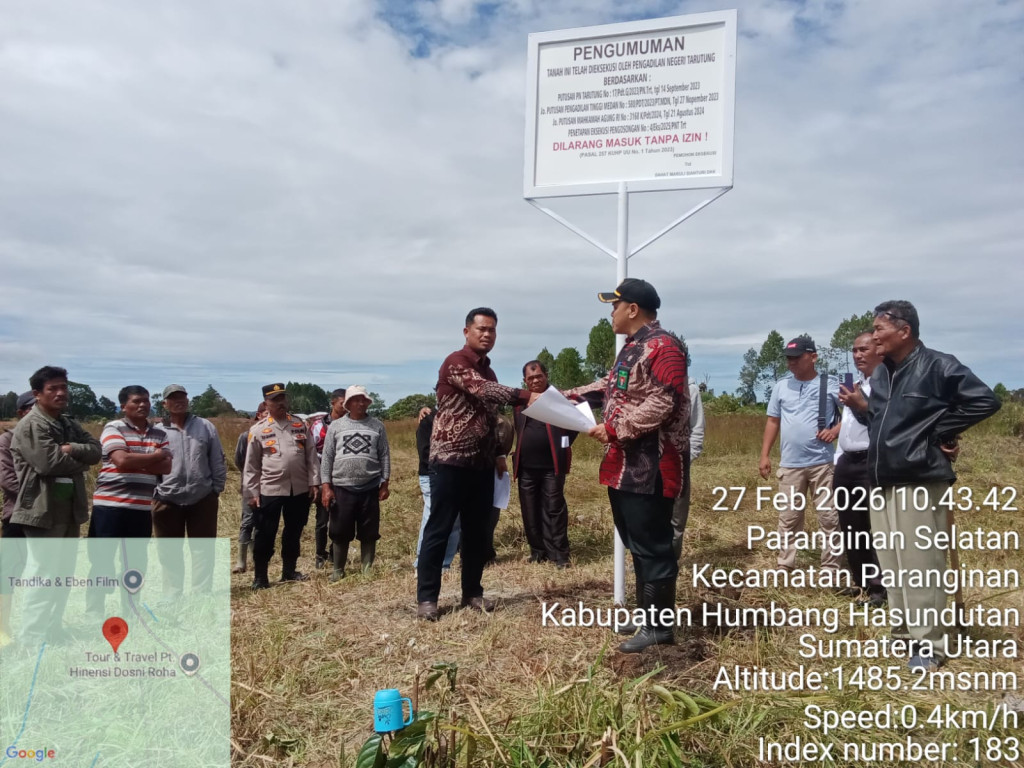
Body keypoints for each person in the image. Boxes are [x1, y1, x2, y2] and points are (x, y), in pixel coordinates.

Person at [839, 300, 1000, 671]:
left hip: (919, 478)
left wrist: (944, 430)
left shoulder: (938, 365)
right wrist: (864, 409)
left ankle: (932, 644)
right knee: (893, 563)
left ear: (904, 331)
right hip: (882, 479)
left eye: (879, 329)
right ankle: (904, 633)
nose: (874, 336)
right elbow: (882, 419)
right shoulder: (882, 376)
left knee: (920, 564)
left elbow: (984, 401)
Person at [568, 279, 690, 652]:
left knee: (654, 546)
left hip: (652, 465)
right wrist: (567, 396)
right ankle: (647, 614)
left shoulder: (664, 347)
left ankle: (660, 628)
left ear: (632, 309)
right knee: (638, 543)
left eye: (615, 306)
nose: (611, 313)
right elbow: (612, 387)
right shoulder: (633, 349)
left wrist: (616, 427)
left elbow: (664, 401)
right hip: (626, 465)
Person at [415, 308, 539, 621]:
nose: (487, 334)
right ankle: (427, 599)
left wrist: (499, 452)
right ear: (467, 331)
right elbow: (482, 390)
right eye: (482, 329)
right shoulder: (456, 362)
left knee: (477, 533)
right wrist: (527, 395)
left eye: (492, 330)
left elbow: (491, 415)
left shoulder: (491, 370)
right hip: (451, 461)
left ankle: (472, 592)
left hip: (481, 465)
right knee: (439, 529)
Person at [10, 367, 102, 645]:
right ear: (37, 394)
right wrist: (80, 459)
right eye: (53, 388)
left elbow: (96, 451)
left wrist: (71, 449)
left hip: (68, 509)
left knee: (63, 575)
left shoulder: (67, 423)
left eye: (64, 387)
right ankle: (32, 639)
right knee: (44, 575)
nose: (61, 393)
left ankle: (53, 629)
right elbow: (48, 463)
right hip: (42, 509)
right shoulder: (32, 425)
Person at [758, 336, 843, 573]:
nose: (791, 363)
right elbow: (773, 421)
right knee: (789, 517)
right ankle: (785, 564)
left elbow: (856, 410)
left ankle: (831, 567)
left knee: (828, 517)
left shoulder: (831, 383)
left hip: (822, 463)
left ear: (813, 357)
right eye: (788, 358)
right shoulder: (781, 386)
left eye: (796, 358)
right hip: (790, 464)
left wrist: (836, 430)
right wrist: (765, 455)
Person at [86, 386, 171, 617]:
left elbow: (167, 467)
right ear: (124, 406)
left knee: (135, 563)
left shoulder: (160, 434)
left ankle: (130, 610)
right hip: (110, 506)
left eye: (145, 401)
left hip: (141, 507)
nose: (143, 405)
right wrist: (153, 457)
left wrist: (137, 460)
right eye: (136, 402)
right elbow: (121, 460)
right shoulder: (114, 427)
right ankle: (94, 611)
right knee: (102, 561)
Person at [242, 383, 320, 590]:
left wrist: (314, 482)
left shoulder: (299, 425)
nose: (281, 403)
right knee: (266, 533)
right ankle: (260, 576)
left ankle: (289, 570)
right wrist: (251, 492)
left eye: (283, 398)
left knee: (294, 531)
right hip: (270, 489)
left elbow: (311, 456)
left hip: (299, 489)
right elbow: (251, 465)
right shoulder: (258, 430)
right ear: (266, 403)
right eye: (275, 399)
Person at [151, 385, 227, 596]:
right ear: (165, 403)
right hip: (167, 499)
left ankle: (201, 594)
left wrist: (216, 489)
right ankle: (172, 594)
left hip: (202, 497)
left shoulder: (205, 427)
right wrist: (155, 491)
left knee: (203, 549)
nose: (179, 401)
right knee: (169, 551)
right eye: (173, 398)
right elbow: (150, 464)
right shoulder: (157, 430)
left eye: (182, 397)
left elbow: (217, 460)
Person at [832, 333, 886, 606]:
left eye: (863, 349)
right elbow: (848, 426)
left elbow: (885, 423)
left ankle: (879, 591)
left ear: (879, 349)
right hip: (847, 464)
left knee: (875, 527)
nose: (857, 355)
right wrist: (838, 459)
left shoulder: (887, 383)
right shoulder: (855, 385)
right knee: (851, 527)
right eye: (854, 350)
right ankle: (862, 583)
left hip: (872, 462)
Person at [320, 386, 390, 582]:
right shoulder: (336, 426)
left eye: (364, 400)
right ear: (348, 404)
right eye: (356, 400)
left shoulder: (377, 426)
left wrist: (385, 483)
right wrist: (326, 486)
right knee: (340, 530)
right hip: (342, 486)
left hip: (369, 486)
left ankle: (366, 569)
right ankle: (338, 570)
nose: (360, 403)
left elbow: (384, 455)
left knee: (369, 531)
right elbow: (327, 457)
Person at [512, 360, 576, 568]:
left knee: (553, 508)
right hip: (526, 467)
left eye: (538, 376)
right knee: (529, 510)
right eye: (530, 378)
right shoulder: (521, 402)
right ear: (525, 381)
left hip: (552, 466)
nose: (535, 380)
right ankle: (537, 551)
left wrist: (562, 446)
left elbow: (573, 426)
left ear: (546, 375)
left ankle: (559, 554)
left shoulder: (557, 398)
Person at [0, 392, 35, 646]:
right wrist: (43, 497)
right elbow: (8, 481)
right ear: (22, 412)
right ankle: (3, 628)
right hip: (18, 516)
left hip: (51, 520)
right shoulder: (7, 440)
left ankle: (36, 626)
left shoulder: (53, 438)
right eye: (33, 409)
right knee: (8, 574)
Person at [413, 407, 460, 573]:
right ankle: (423, 563)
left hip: (457, 475)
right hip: (431, 475)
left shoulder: (463, 419)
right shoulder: (428, 420)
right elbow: (425, 452)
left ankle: (445, 564)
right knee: (432, 518)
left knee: (455, 520)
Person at [309, 389, 346, 569]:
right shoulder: (319, 426)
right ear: (332, 403)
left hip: (344, 478)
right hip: (325, 478)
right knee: (322, 519)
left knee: (340, 518)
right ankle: (319, 554)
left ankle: (334, 553)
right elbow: (311, 453)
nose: (346, 407)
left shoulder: (352, 423)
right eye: (342, 404)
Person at [671, 377, 704, 560]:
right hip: (648, 467)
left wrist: (686, 459)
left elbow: (697, 428)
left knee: (676, 520)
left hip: (678, 467)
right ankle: (649, 565)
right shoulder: (645, 383)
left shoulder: (690, 389)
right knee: (649, 518)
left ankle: (670, 564)